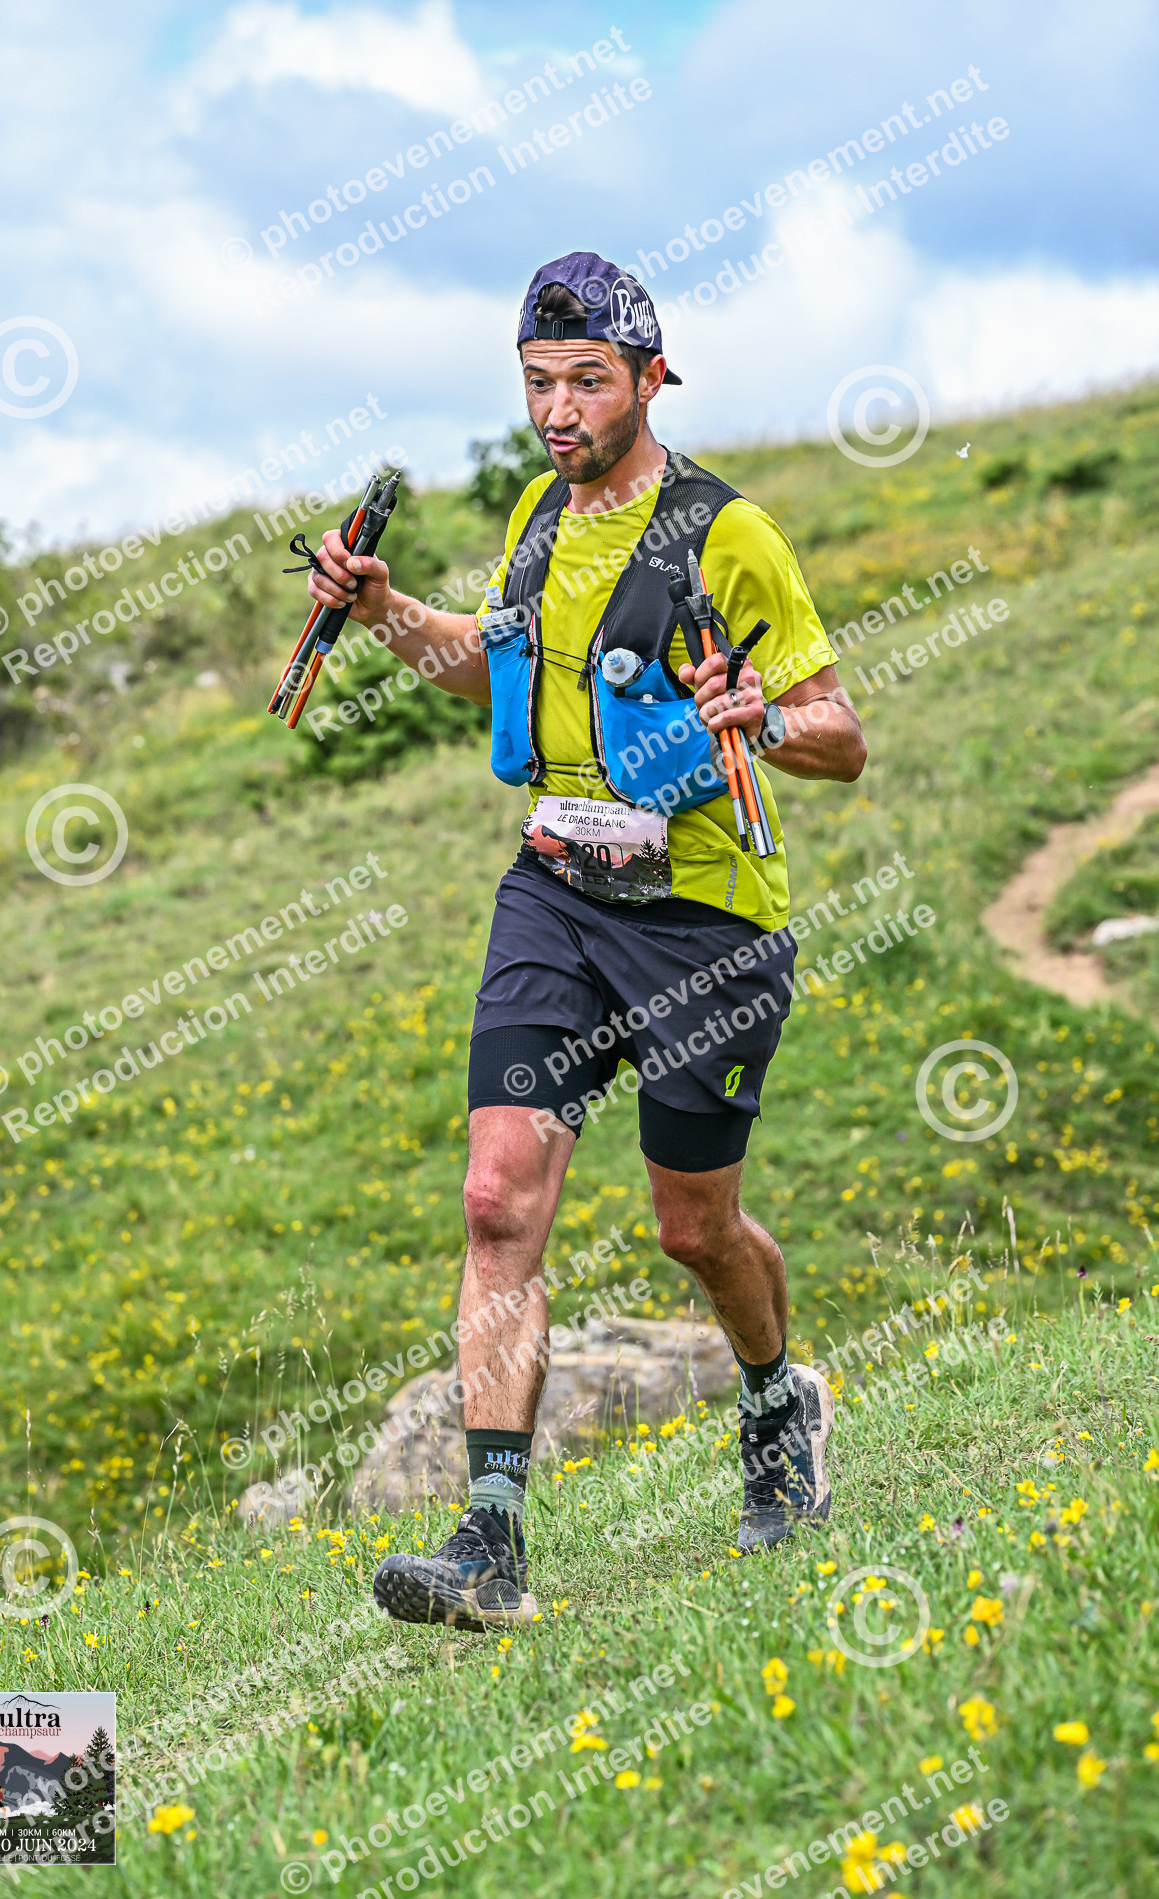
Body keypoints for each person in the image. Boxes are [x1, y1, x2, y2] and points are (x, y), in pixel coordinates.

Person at [304, 250, 867, 1630]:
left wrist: (763, 722)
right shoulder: (537, 516)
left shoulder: (729, 535)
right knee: (497, 1200)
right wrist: (384, 613)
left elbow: (841, 736)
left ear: (651, 378)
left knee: (694, 1227)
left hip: (704, 922)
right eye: (538, 383)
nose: (558, 412)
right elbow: (494, 667)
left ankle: (776, 1402)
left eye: (587, 383)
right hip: (554, 891)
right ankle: (490, 1542)